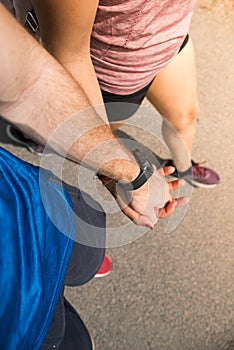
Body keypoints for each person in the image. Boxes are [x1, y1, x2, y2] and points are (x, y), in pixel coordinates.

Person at [0, 4, 187, 349]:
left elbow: (28, 82)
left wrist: (130, 175)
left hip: (25, 207)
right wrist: (131, 176)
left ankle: (73, 267)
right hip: (18, 315)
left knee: (84, 250)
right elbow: (49, 68)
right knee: (74, 340)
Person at [4, 0, 220, 189]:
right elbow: (69, 54)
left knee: (186, 117)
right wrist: (125, 179)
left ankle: (183, 170)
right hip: (112, 72)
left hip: (169, 40)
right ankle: (44, 133)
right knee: (96, 135)